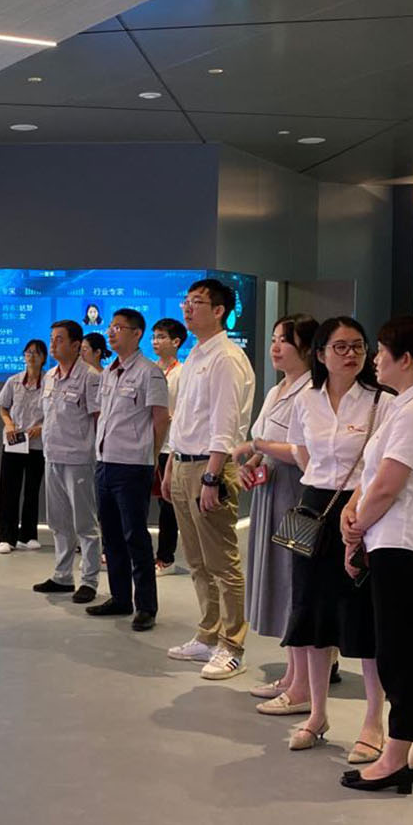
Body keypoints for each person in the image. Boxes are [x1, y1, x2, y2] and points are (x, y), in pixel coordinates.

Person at [339, 316, 413, 794]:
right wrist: (353, 510)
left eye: (381, 352)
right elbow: (373, 475)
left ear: (405, 359)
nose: (374, 360)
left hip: (401, 542)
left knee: (399, 653)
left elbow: (388, 485)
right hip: (396, 539)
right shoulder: (404, 404)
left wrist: (355, 530)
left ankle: (395, 758)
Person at [272, 317, 388, 758]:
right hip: (312, 505)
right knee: (310, 611)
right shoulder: (307, 399)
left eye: (358, 345)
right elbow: (302, 453)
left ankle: (373, 721)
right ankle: (317, 714)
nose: (351, 354)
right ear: (320, 354)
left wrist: (357, 506)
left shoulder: (381, 401)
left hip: (362, 510)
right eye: (340, 347)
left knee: (363, 615)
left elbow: (383, 465)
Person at [161, 279, 256, 678]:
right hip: (184, 463)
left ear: (219, 311)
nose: (187, 308)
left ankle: (232, 645)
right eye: (186, 301)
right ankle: (208, 634)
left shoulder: (226, 358)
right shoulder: (196, 355)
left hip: (210, 466)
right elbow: (183, 418)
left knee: (222, 561)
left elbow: (225, 422)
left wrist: (213, 476)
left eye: (197, 302)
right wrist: (171, 463)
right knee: (197, 560)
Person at [231, 314, 318, 701]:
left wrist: (258, 448)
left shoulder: (312, 391)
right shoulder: (278, 389)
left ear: (307, 348)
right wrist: (252, 464)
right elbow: (265, 441)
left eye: (285, 340)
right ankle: (292, 674)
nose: (276, 347)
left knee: (294, 581)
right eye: (274, 339)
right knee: (280, 581)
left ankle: (303, 682)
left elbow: (303, 452)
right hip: (272, 490)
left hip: (297, 495)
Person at [86, 308, 169, 632]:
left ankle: (146, 605)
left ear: (137, 334)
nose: (111, 332)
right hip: (105, 462)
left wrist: (151, 457)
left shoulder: (150, 373)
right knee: (111, 534)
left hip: (133, 465)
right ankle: (120, 597)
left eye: (119, 328)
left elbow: (160, 419)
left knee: (135, 536)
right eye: (111, 327)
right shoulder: (109, 372)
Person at [32, 321, 103, 604]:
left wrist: (99, 456)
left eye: (59, 339)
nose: (53, 344)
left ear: (76, 345)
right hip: (52, 457)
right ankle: (62, 576)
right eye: (52, 338)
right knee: (58, 521)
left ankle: (89, 580)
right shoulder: (50, 376)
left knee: (85, 523)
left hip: (79, 459)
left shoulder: (90, 377)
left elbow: (98, 419)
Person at [0, 339, 47, 554]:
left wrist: (42, 427)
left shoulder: (49, 382)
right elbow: (3, 407)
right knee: (9, 490)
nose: (31, 356)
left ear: (44, 358)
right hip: (15, 441)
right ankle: (6, 537)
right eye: (28, 352)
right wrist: (8, 424)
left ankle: (28, 535)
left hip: (37, 444)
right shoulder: (14, 381)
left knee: (32, 491)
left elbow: (55, 412)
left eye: (36, 353)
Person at [151, 318, 188, 577]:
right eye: (154, 336)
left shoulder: (182, 373)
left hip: (169, 447)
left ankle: (165, 557)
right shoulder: (149, 370)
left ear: (176, 342)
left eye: (161, 336)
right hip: (145, 445)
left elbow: (185, 410)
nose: (156, 341)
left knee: (168, 505)